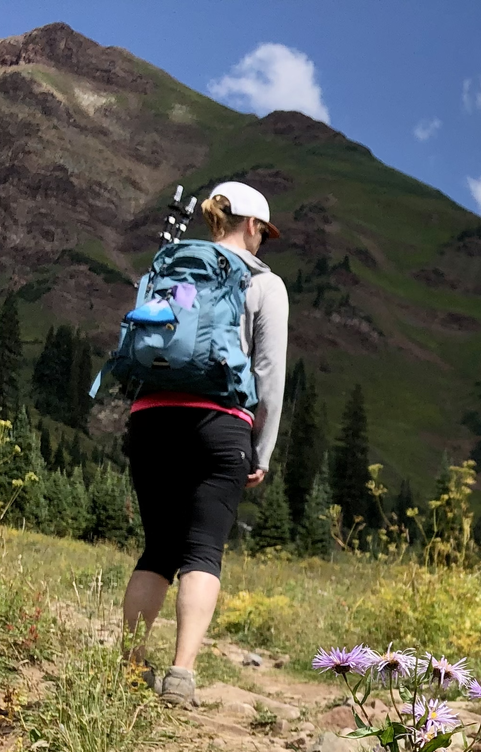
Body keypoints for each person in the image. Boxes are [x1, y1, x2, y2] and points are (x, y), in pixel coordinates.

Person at [121, 179, 289, 705]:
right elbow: (269, 373)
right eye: (265, 230)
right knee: (202, 550)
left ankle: (128, 669)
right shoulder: (264, 284)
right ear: (253, 225)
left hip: (150, 417)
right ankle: (180, 676)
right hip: (219, 425)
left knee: (159, 548)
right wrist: (260, 452)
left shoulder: (166, 271)